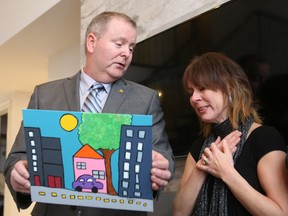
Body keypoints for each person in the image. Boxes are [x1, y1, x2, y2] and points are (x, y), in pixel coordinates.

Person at [4, 11, 174, 216]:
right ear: (91, 42)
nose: (127, 53)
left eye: (131, 47)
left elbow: (164, 156)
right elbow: (17, 156)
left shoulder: (146, 100)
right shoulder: (45, 95)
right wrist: (17, 173)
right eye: (119, 44)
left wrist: (161, 167)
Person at [173, 52, 288, 216]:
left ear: (230, 88)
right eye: (191, 92)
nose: (194, 98)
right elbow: (179, 212)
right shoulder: (200, 146)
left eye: (202, 88)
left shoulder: (264, 138)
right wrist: (202, 167)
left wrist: (227, 172)